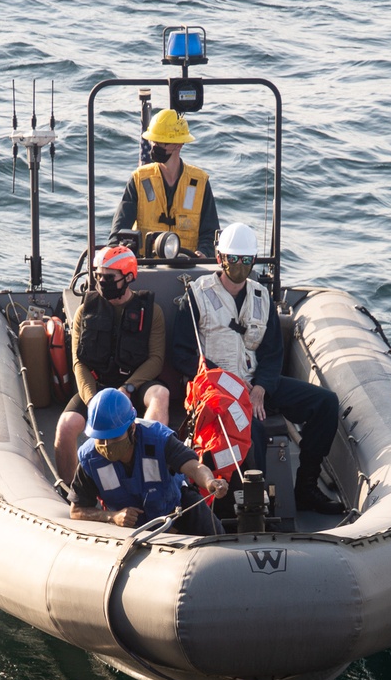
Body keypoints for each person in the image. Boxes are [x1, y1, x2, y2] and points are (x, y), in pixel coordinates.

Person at [172, 222, 344, 514]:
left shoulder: (261, 297)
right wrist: (231, 386)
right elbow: (182, 354)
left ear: (254, 260)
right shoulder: (196, 296)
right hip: (217, 389)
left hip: (257, 384)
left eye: (246, 260)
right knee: (254, 428)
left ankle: (306, 487)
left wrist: (262, 388)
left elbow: (273, 351)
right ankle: (254, 500)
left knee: (325, 403)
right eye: (233, 260)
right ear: (220, 258)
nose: (240, 266)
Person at [54, 245, 169, 484]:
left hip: (133, 387)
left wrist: (128, 388)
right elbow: (79, 362)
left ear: (128, 277)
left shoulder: (152, 313)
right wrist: (93, 400)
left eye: (108, 277)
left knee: (160, 394)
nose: (101, 281)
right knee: (66, 426)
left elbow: (156, 360)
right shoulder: (85, 312)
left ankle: (150, 474)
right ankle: (73, 492)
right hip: (97, 387)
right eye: (98, 276)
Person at [69, 388, 228, 537]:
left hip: (174, 512)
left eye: (114, 437)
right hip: (128, 532)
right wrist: (112, 516)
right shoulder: (89, 459)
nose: (106, 445)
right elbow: (76, 511)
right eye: (100, 439)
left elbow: (194, 467)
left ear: (132, 428)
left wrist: (209, 481)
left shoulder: (158, 438)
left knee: (206, 522)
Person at [108, 108, 219, 259]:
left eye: (162, 143)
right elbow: (118, 235)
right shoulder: (139, 179)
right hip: (146, 268)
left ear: (179, 145)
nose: (155, 146)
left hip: (188, 269)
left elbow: (210, 234)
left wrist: (203, 253)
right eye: (154, 141)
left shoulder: (199, 182)